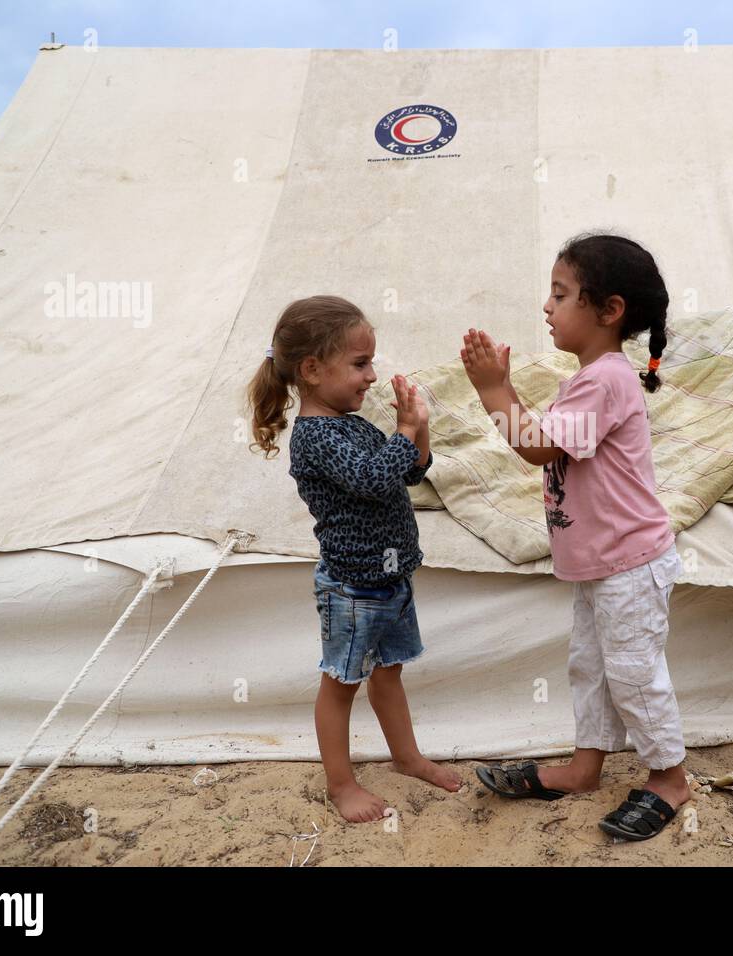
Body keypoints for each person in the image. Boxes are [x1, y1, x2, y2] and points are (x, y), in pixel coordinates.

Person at [461, 233, 690, 841]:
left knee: (633, 672)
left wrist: (493, 389)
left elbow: (539, 446)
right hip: (600, 563)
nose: (547, 307)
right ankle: (585, 768)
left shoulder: (606, 381)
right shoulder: (589, 378)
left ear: (609, 310)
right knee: (591, 667)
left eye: (561, 295)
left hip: (630, 565)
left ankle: (669, 777)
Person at [246, 294, 461, 823]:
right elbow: (370, 479)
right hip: (353, 590)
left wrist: (418, 427)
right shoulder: (316, 436)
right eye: (360, 363)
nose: (371, 375)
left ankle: (407, 758)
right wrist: (404, 435)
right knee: (340, 686)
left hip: (392, 580)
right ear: (313, 370)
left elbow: (408, 473)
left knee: (389, 676)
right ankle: (341, 786)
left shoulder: (354, 424)